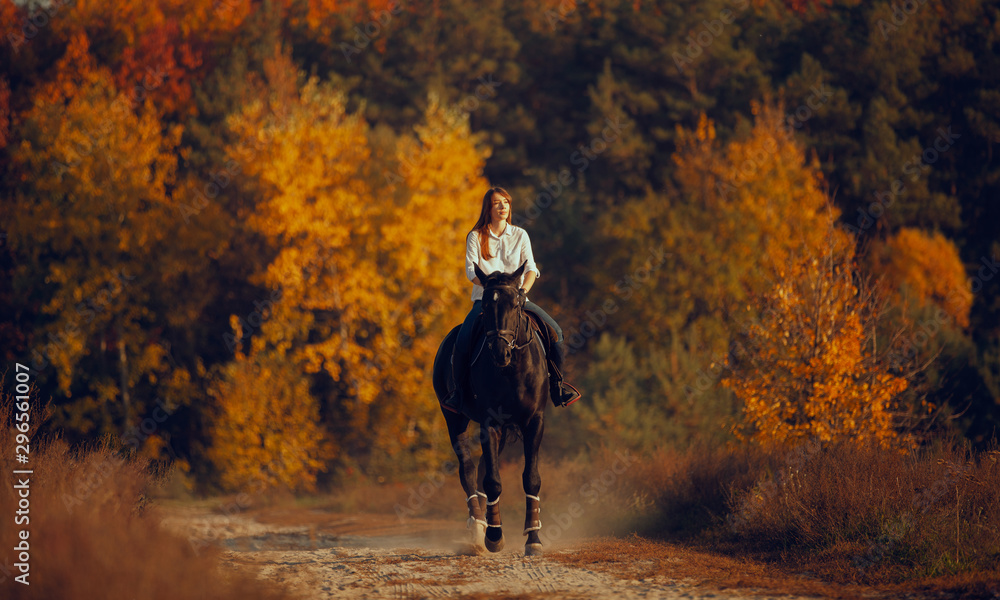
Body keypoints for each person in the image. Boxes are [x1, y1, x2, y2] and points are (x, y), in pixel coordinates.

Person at [442, 186, 581, 414]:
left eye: (505, 202)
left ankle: (557, 386)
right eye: (497, 203)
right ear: (488, 208)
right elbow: (470, 271)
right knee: (463, 339)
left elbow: (531, 268)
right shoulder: (476, 236)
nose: (502, 207)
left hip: (517, 301)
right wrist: (491, 289)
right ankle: (459, 393)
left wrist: (522, 292)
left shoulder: (520, 235)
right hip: (485, 302)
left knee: (556, 332)